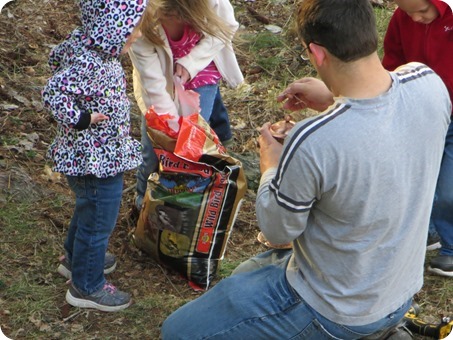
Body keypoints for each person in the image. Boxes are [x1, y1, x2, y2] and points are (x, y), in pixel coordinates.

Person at [160, 0, 451, 338]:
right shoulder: (429, 83)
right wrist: (334, 96)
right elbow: (385, 115)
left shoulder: (313, 139)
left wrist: (271, 165)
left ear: (317, 52)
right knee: (246, 275)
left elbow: (278, 232)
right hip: (399, 289)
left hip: (337, 308)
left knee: (177, 331)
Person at [42, 0, 147, 312]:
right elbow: (53, 92)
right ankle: (87, 286)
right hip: (94, 160)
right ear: (113, 27)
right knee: (99, 221)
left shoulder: (97, 51)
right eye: (134, 27)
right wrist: (81, 118)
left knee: (90, 210)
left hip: (99, 154)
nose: (138, 34)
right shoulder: (91, 62)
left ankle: (76, 260)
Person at [128, 0, 244, 211]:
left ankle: (182, 205)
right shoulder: (137, 19)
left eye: (183, 17)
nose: (177, 21)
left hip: (202, 68)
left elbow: (225, 28)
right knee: (152, 147)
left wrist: (191, 63)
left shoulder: (213, 4)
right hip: (160, 76)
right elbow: (154, 85)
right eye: (170, 18)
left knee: (196, 135)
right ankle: (142, 203)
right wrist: (170, 128)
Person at [382, 0, 453, 277]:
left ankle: (451, 247)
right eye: (409, 11)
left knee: (448, 189)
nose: (416, 17)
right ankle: (431, 231)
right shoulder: (402, 19)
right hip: (419, 114)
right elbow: (393, 61)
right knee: (419, 179)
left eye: (422, 11)